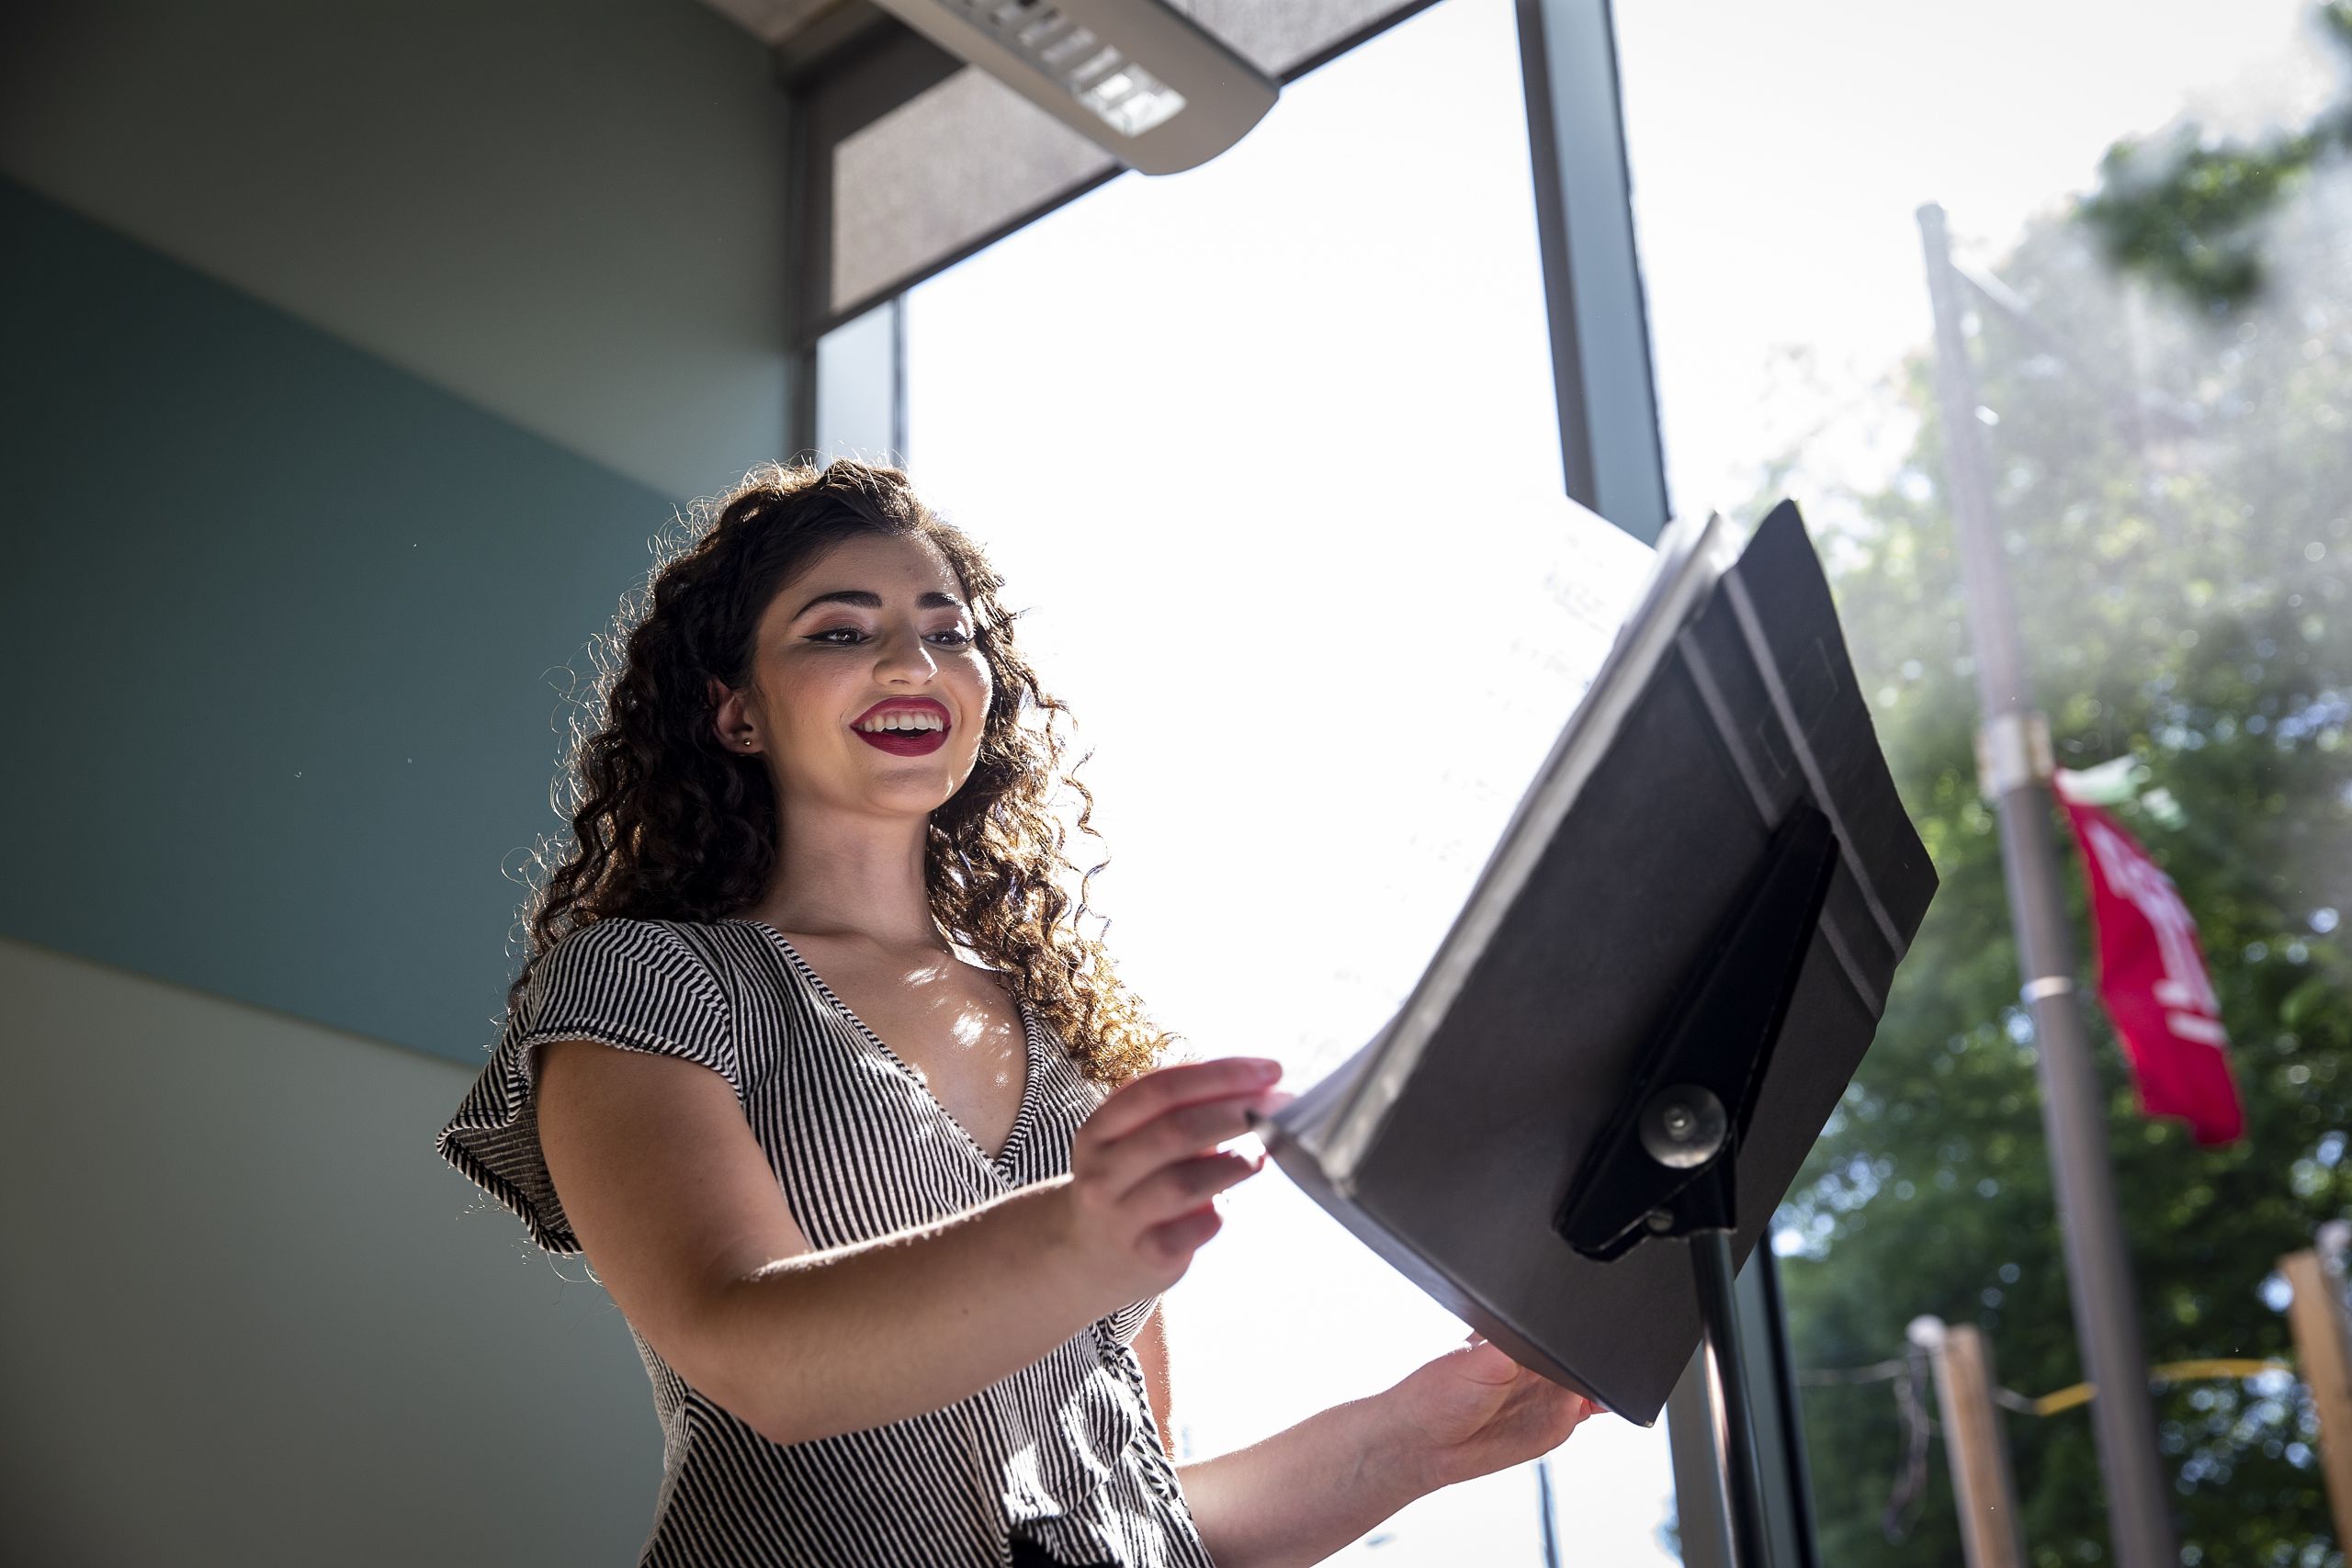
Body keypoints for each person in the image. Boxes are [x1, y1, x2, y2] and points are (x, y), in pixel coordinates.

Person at [436, 458, 1597, 1567]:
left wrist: (1414, 1440)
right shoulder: (645, 979)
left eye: (951, 632)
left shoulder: (1070, 1038)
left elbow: (1133, 1511)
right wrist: (1071, 1238)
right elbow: (754, 1354)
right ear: (736, 715)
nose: (913, 659)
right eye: (841, 632)